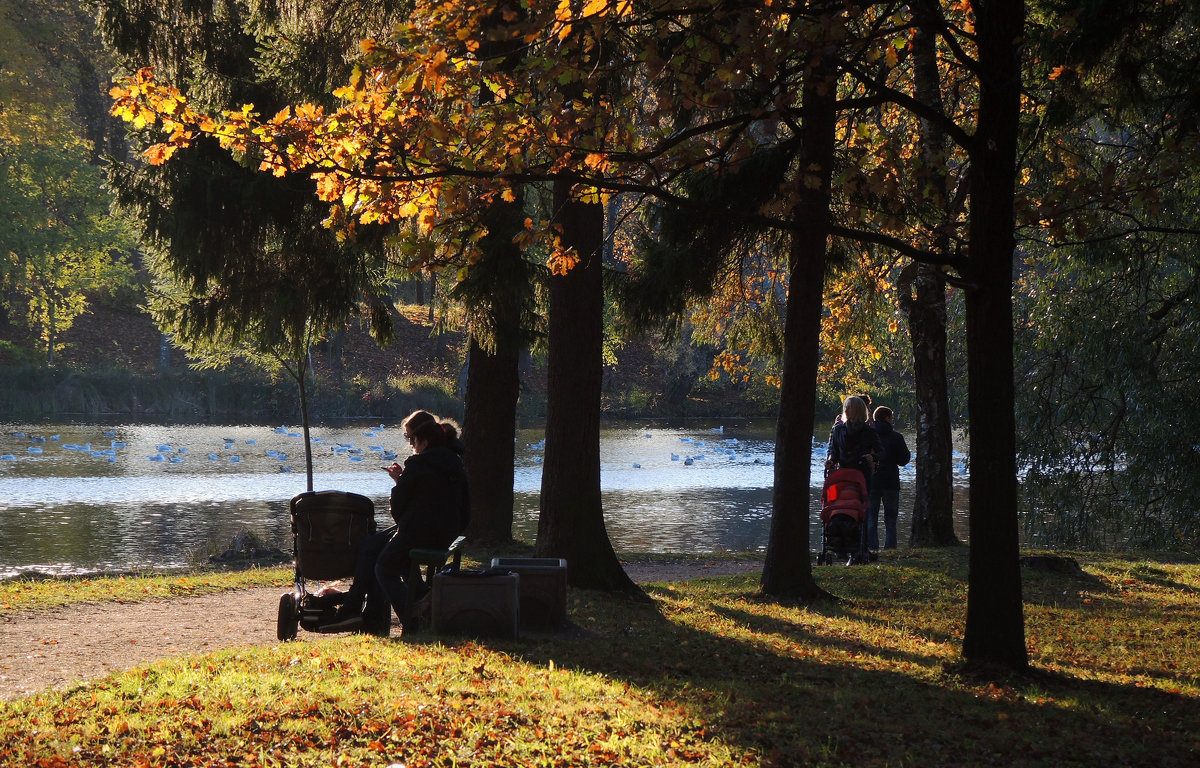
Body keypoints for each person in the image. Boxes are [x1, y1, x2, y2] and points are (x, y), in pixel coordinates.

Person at [326, 412, 468, 634]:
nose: (410, 443)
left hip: (421, 529)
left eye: (411, 438)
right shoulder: (453, 460)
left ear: (424, 439)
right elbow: (459, 504)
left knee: (383, 564)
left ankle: (411, 621)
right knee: (372, 547)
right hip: (444, 528)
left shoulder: (420, 462)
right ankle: (369, 615)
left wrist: (398, 484)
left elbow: (400, 509)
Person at [867, 405, 911, 551]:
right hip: (891, 482)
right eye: (891, 418)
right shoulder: (897, 437)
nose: (892, 421)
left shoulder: (869, 435)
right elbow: (904, 460)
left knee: (871, 517)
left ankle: (872, 547)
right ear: (887, 418)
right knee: (890, 519)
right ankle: (890, 548)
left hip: (872, 481)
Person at [825, 395, 883, 489]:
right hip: (842, 474)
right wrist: (830, 461)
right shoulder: (838, 430)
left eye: (850, 408)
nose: (846, 410)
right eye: (845, 407)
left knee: (857, 502)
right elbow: (834, 452)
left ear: (858, 410)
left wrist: (872, 457)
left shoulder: (869, 431)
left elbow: (882, 452)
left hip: (861, 476)